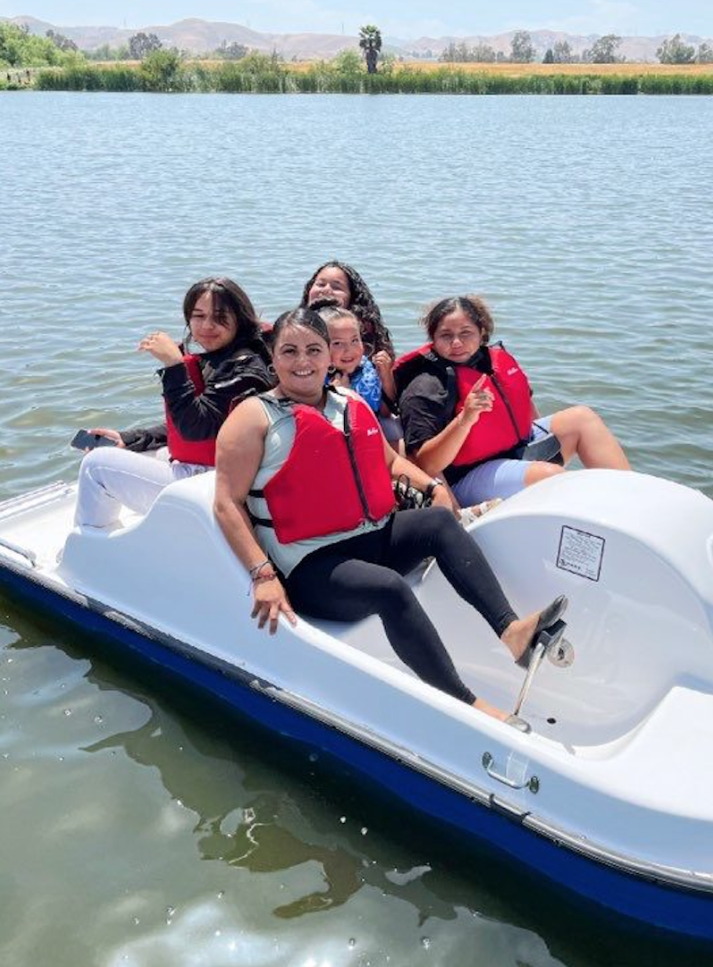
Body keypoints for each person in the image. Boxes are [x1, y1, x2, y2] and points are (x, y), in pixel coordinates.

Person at [213, 308, 568, 721]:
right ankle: (464, 703)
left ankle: (512, 632)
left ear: (330, 355)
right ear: (272, 358)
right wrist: (263, 576)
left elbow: (388, 463)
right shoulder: (254, 418)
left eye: (313, 349)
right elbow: (226, 502)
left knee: (438, 522)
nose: (303, 362)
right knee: (390, 587)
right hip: (313, 565)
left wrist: (433, 488)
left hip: (371, 536)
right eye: (289, 351)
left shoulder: (350, 402)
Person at [395, 294, 630, 508]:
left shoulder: (493, 360)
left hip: (513, 451)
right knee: (552, 477)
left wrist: (539, 445)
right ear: (433, 338)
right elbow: (424, 464)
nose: (456, 342)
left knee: (582, 417)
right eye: (446, 335)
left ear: (481, 331)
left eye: (465, 332)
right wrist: (465, 420)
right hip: (467, 476)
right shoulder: (425, 386)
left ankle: (629, 498)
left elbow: (527, 410)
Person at [74, 277, 274, 529]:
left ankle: (90, 543)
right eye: (198, 316)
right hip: (211, 470)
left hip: (221, 484)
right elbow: (201, 422)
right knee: (139, 451)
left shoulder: (246, 368)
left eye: (219, 316)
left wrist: (174, 366)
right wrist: (130, 438)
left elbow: (197, 428)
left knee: (96, 464)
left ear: (240, 318)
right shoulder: (224, 357)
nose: (206, 326)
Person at [300, 261, 398, 404]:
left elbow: (387, 408)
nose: (326, 290)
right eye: (321, 284)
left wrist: (386, 376)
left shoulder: (367, 361)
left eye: (336, 286)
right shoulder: (295, 339)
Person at [316, 304, 403, 448]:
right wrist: (339, 396)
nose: (349, 349)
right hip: (336, 441)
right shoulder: (316, 378)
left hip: (370, 430)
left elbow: (386, 412)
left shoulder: (366, 369)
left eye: (355, 340)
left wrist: (386, 377)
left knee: (395, 433)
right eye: (337, 343)